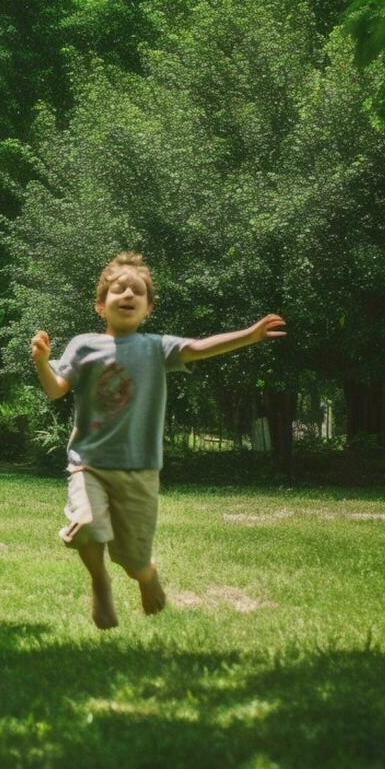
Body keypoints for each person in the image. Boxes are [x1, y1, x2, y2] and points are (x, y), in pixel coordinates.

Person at [31, 252, 286, 629]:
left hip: (139, 468)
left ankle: (146, 575)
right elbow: (56, 389)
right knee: (86, 524)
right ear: (101, 304)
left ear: (148, 307)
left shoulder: (156, 347)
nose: (128, 294)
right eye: (119, 289)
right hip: (89, 462)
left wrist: (250, 335)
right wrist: (41, 361)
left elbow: (200, 347)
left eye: (137, 291)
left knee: (132, 559)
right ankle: (100, 584)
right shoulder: (84, 346)